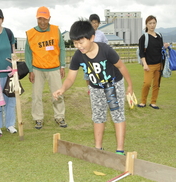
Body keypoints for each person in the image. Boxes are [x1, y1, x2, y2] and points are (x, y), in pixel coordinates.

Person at [53, 20, 134, 155]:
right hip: (96, 87)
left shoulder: (106, 50)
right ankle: (98, 149)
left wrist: (130, 85)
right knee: (98, 116)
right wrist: (62, 88)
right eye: (75, 43)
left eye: (81, 42)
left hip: (113, 85)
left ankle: (120, 150)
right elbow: (70, 78)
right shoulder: (78, 56)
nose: (78, 46)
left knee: (117, 115)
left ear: (92, 37)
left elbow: (121, 66)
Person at [25, 6, 67, 130]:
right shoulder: (30, 33)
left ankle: (59, 116)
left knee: (58, 94)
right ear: (37, 18)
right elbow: (28, 53)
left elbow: (62, 48)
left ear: (49, 18)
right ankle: (38, 118)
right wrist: (30, 70)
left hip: (54, 68)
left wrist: (62, 65)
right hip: (37, 69)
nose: (42, 22)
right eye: (40, 19)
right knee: (36, 95)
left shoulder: (55, 30)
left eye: (45, 19)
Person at [137, 15, 169, 109]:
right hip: (149, 65)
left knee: (156, 84)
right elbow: (141, 53)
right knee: (147, 83)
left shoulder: (159, 35)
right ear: (146, 25)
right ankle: (143, 102)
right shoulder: (144, 37)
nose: (152, 25)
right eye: (150, 23)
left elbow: (160, 49)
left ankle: (153, 102)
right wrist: (145, 64)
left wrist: (165, 46)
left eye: (154, 23)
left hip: (159, 64)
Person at [84, 14, 109, 94]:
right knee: (87, 74)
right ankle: (89, 88)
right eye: (92, 22)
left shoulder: (101, 34)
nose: (94, 24)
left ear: (98, 23)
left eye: (96, 22)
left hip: (99, 58)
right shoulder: (86, 33)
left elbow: (106, 44)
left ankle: (101, 88)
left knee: (100, 73)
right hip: (88, 58)